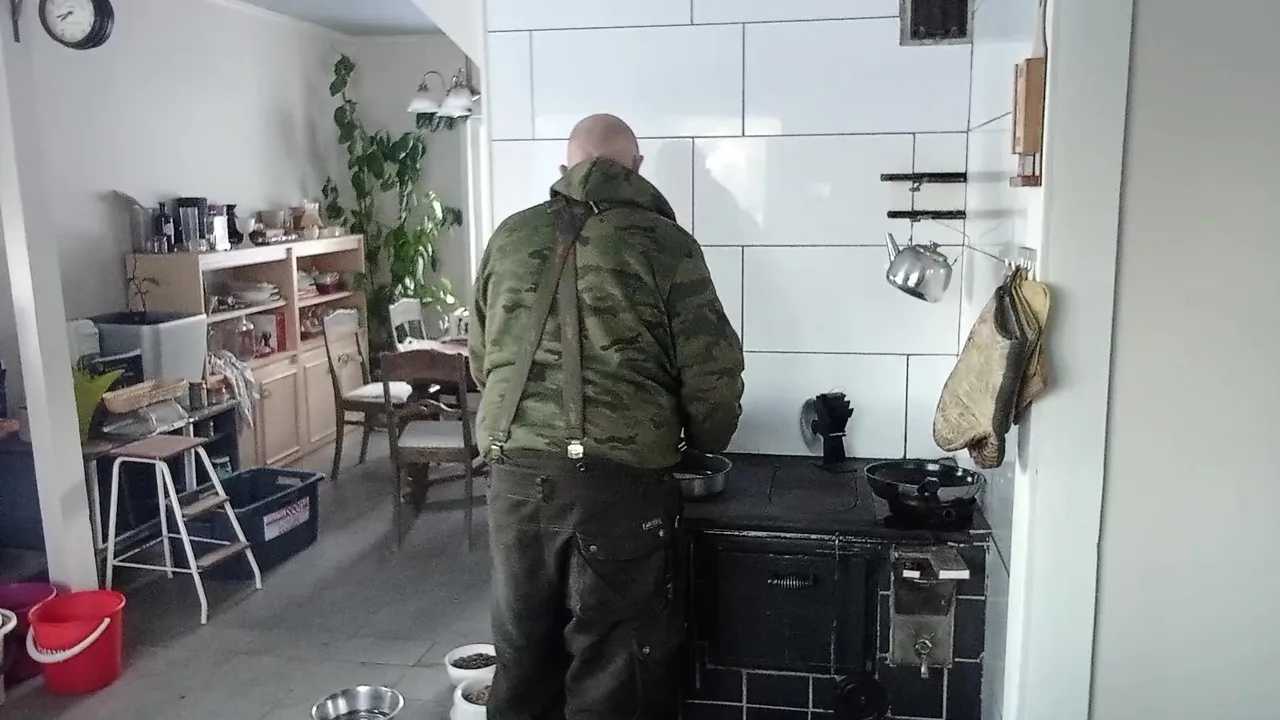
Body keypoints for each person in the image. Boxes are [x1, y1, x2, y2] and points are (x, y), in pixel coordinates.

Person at [469, 113, 745, 719]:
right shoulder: (665, 244)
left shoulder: (510, 236)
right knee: (616, 669)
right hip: (619, 491)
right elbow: (712, 379)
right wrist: (704, 441)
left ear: (564, 170)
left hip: (515, 481)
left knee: (522, 661)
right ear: (637, 168)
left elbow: (482, 360)